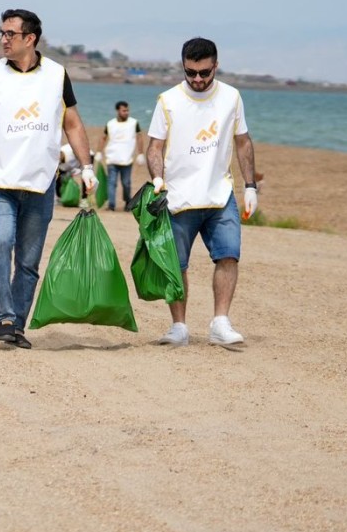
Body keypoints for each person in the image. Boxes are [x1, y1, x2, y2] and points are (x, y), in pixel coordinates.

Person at [0, 9, 96, 349]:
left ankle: (17, 325)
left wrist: (87, 166)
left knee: (28, 263)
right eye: (1, 33)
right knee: (1, 242)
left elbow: (72, 124)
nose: (3, 39)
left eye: (10, 34)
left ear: (30, 39)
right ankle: (4, 316)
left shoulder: (57, 75)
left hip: (40, 183)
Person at [145, 37, 258, 348]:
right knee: (176, 264)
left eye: (204, 73)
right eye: (190, 72)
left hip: (219, 194)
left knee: (229, 255)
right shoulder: (168, 100)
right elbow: (154, 147)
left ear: (215, 66)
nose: (197, 79)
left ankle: (220, 322)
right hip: (178, 198)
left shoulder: (232, 98)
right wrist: (157, 179)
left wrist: (250, 185)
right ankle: (179, 327)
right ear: (183, 66)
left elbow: (243, 142)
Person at [99, 100, 145, 212]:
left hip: (127, 159)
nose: (126, 112)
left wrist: (140, 153)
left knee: (126, 183)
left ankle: (128, 202)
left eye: (127, 110)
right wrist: (99, 152)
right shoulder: (110, 124)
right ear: (118, 111)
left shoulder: (134, 123)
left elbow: (139, 137)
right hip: (112, 158)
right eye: (124, 110)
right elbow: (104, 137)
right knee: (112, 182)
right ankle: (111, 205)